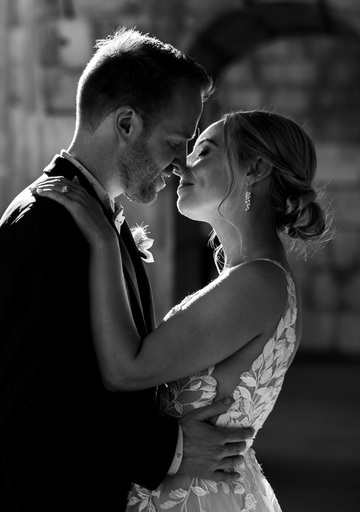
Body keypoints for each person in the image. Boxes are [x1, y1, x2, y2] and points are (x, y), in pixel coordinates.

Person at [0, 28, 254, 512]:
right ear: (126, 123)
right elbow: (31, 412)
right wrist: (171, 449)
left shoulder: (95, 219)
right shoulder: (42, 226)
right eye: (175, 141)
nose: (181, 164)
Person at [34, 109, 329, 511]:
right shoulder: (257, 277)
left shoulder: (258, 283)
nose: (181, 164)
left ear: (256, 168)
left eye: (204, 150)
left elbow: (126, 370)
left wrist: (104, 243)